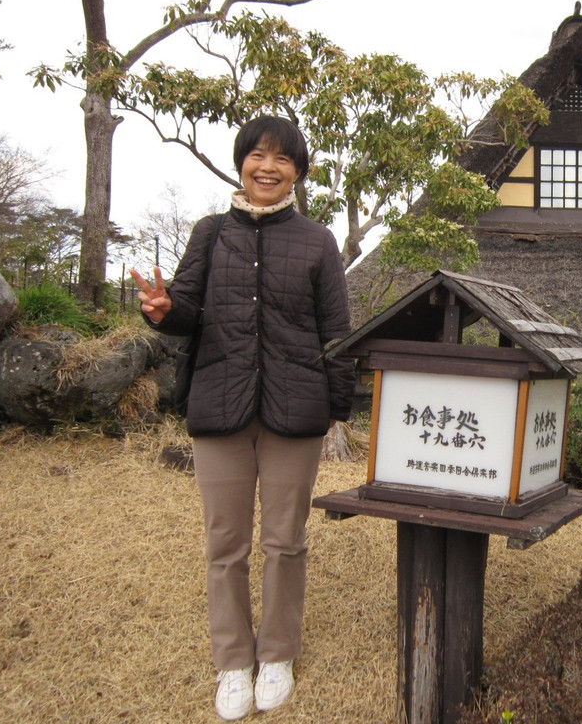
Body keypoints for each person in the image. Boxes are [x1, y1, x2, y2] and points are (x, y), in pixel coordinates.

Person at [131, 116, 355, 721]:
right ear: (240, 164)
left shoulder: (317, 241)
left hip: (295, 408)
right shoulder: (209, 233)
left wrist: (338, 405)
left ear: (298, 173)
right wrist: (163, 310)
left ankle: (277, 652)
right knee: (224, 544)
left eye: (283, 160)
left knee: (285, 541)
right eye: (257, 155)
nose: (268, 168)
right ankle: (234, 661)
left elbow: (337, 331)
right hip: (220, 406)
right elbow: (188, 310)